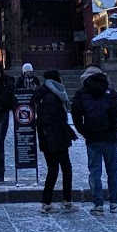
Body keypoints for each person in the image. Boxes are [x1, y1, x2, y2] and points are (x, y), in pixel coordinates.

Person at [71, 65, 117, 215]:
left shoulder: (81, 93)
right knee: (112, 171)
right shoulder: (110, 92)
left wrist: (84, 131)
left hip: (92, 137)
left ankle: (98, 203)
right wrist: (115, 130)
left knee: (95, 171)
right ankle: (114, 202)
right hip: (110, 137)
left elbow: (76, 115)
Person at [32, 68, 76, 213]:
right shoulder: (52, 97)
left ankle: (50, 201)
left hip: (55, 138)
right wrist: (53, 140)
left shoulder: (48, 94)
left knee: (56, 169)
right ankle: (59, 201)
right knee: (60, 169)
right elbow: (50, 121)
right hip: (55, 140)